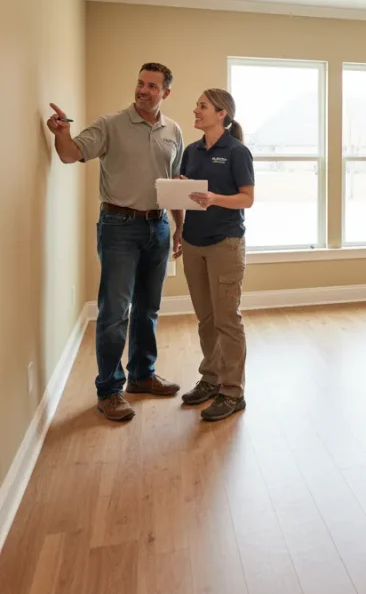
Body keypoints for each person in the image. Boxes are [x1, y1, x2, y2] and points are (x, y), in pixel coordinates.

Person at [47, 63, 184, 421]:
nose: (143, 90)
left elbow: (174, 185)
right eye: (140, 83)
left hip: (158, 229)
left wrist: (179, 227)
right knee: (113, 312)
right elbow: (70, 153)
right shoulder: (110, 124)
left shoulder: (174, 131)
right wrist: (62, 132)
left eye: (152, 86)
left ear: (165, 93)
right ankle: (109, 390)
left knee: (148, 308)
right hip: (119, 225)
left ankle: (142, 375)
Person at [179, 89, 255, 422]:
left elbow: (247, 199)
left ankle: (232, 392)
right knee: (206, 320)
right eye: (197, 105)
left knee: (227, 320)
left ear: (221, 113)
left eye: (202, 106)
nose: (196, 110)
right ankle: (210, 380)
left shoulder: (238, 152)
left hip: (225, 243)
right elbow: (188, 194)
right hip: (193, 243)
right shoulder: (191, 150)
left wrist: (213, 198)